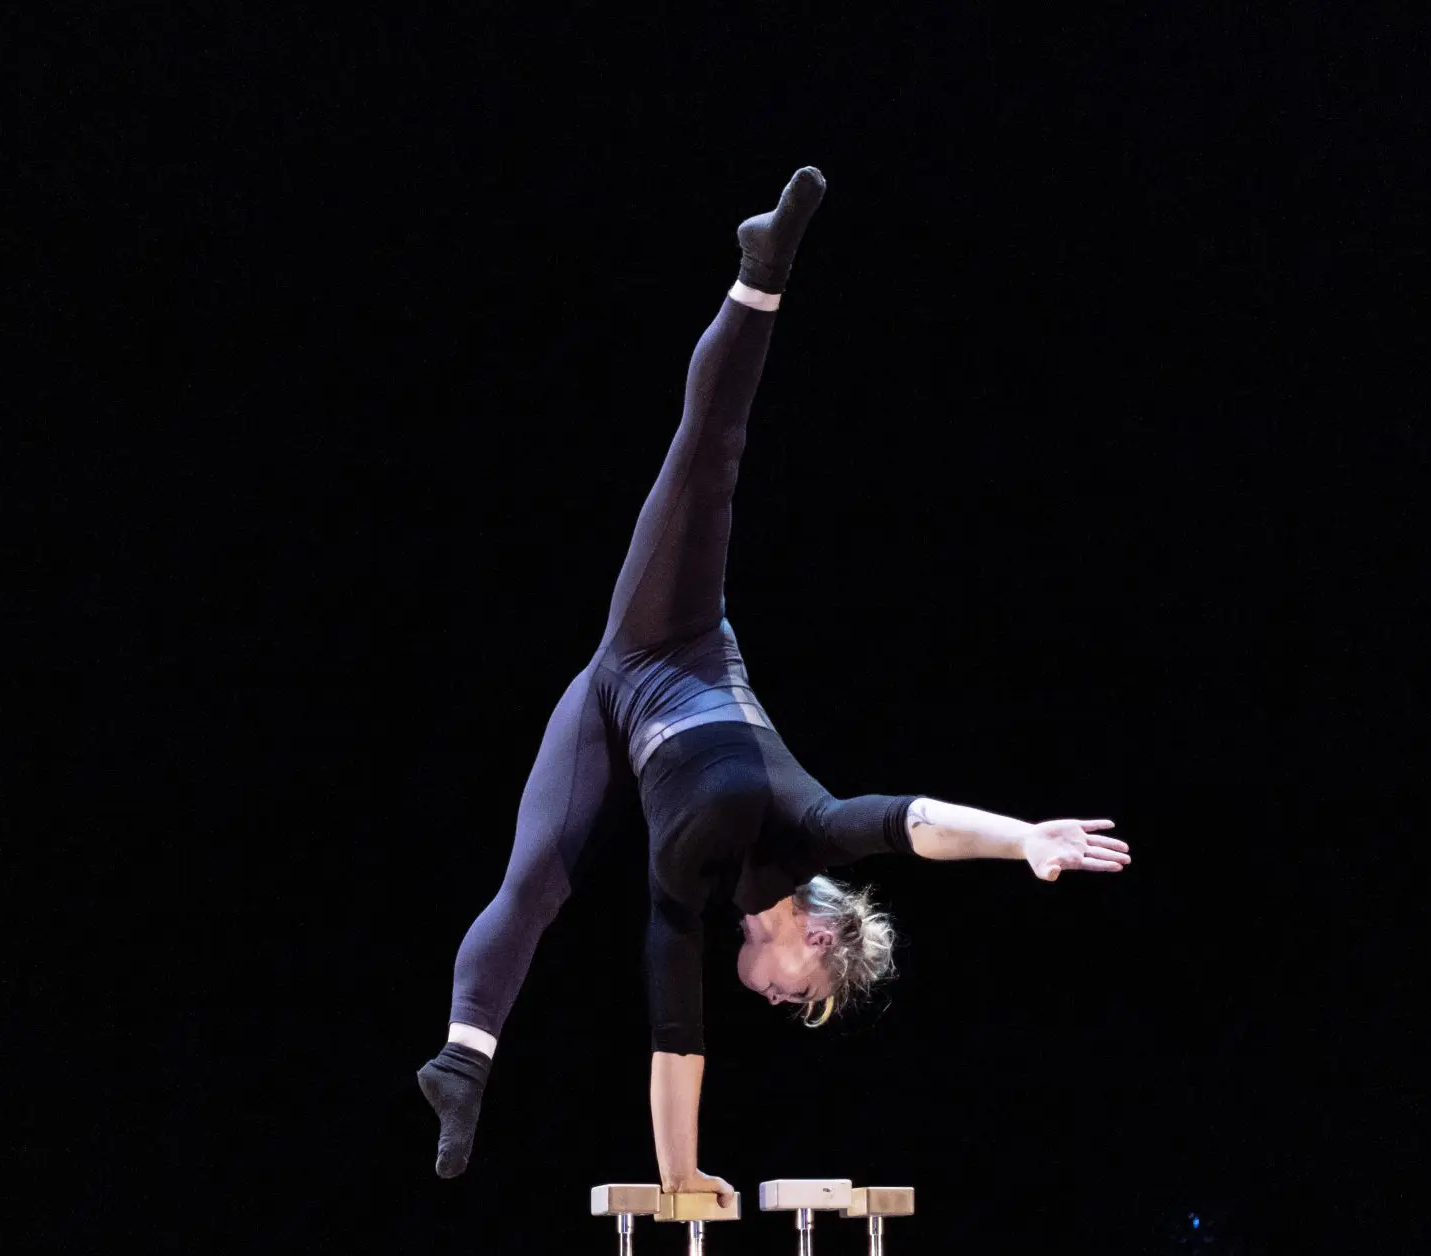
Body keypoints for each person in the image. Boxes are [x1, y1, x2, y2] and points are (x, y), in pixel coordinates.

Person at [417, 167, 1130, 1197]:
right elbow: (908, 823)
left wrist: (679, 1179)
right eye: (806, 999)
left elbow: (679, 1038)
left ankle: (463, 1059)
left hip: (601, 716)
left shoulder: (719, 884)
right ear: (821, 935)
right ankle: (764, 269)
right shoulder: (795, 836)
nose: (784, 1005)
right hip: (668, 641)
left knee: (536, 880)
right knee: (708, 457)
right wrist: (1020, 837)